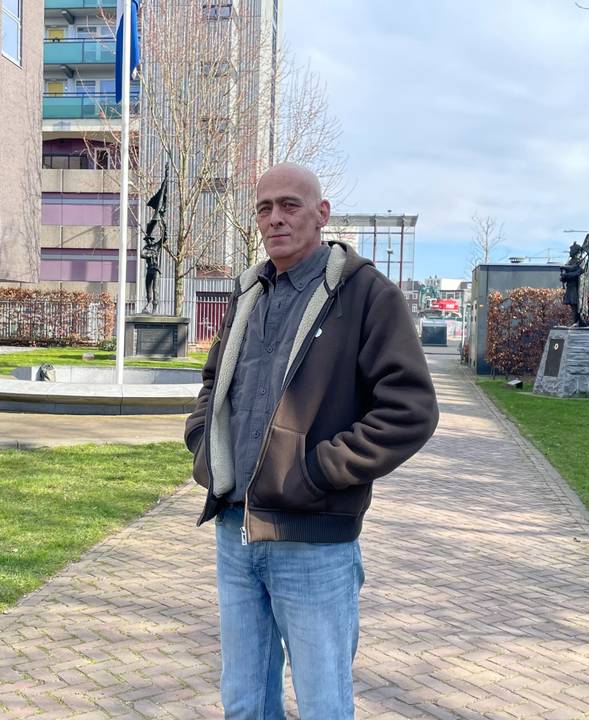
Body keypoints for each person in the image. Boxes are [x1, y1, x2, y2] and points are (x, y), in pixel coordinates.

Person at [184, 163, 439, 718]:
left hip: (313, 542)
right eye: (264, 207)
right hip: (235, 530)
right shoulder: (249, 292)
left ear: (321, 214)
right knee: (244, 703)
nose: (275, 218)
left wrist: (317, 472)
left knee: (324, 704)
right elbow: (213, 382)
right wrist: (203, 440)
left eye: (290, 205)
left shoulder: (367, 295)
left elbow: (409, 410)